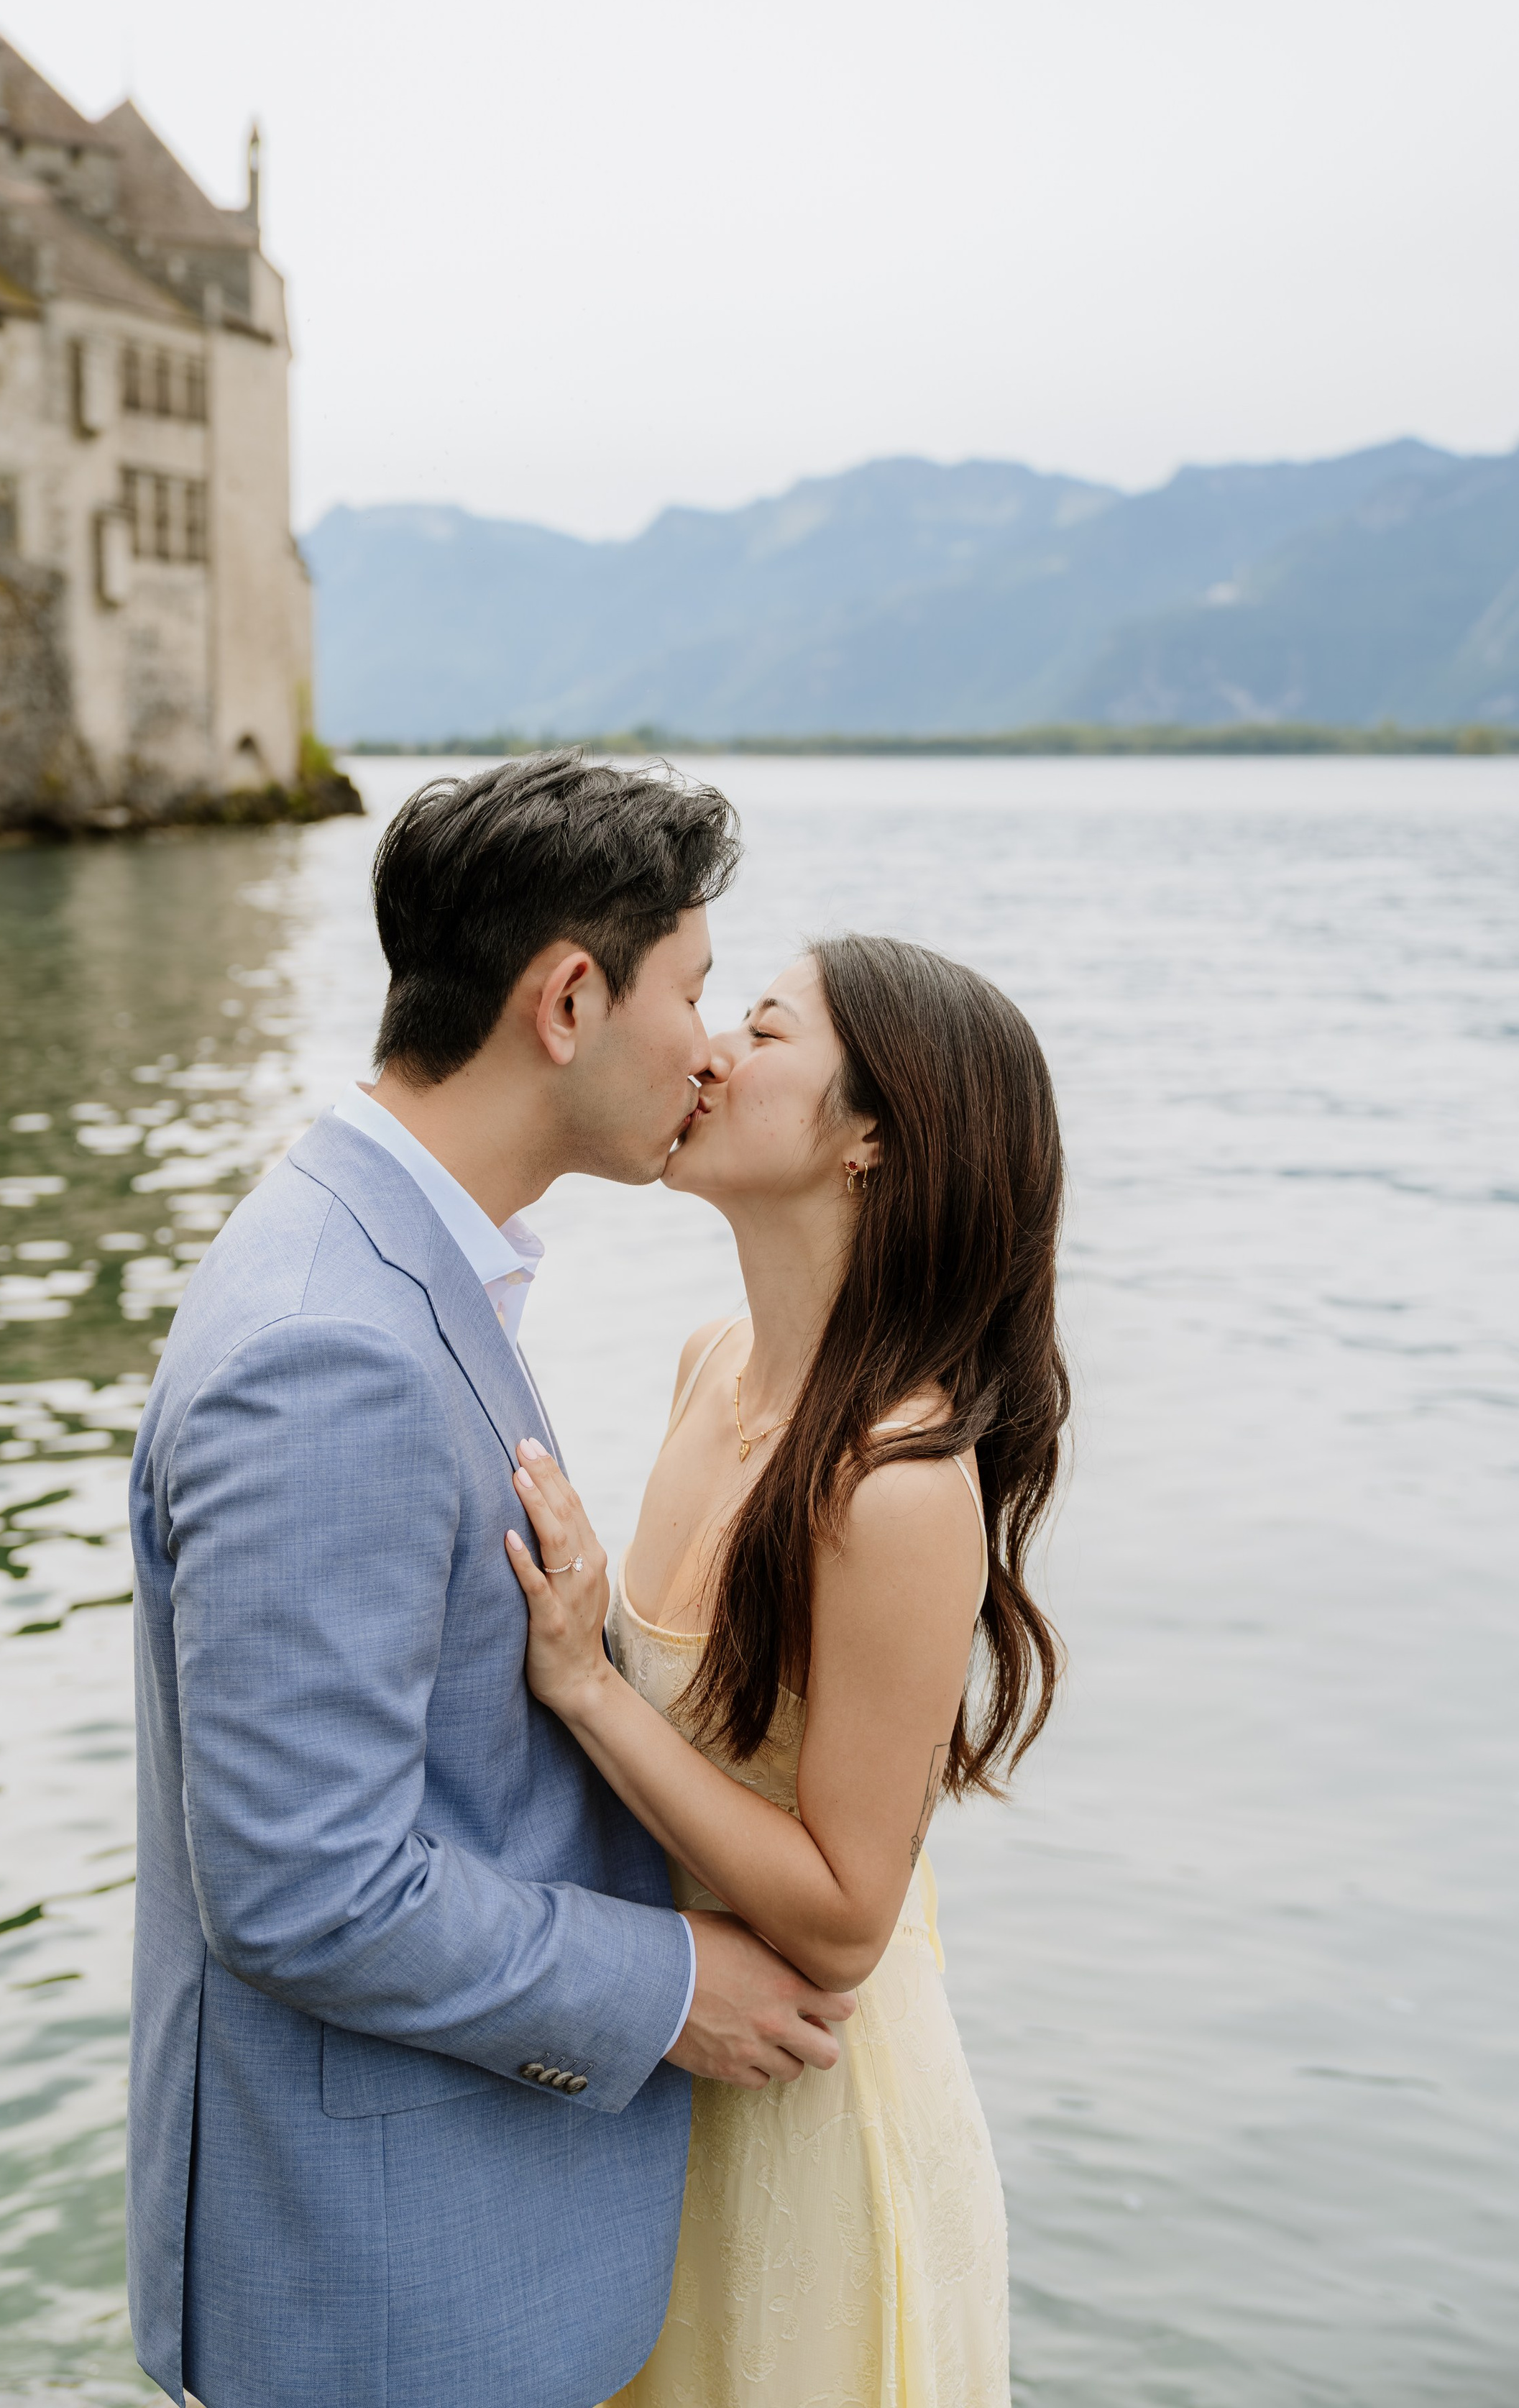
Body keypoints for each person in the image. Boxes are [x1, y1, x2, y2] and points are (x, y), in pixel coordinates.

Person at [126, 754, 856, 2408]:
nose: (709, 1043)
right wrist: (665, 1988)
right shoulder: (331, 1341)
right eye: (690, 989)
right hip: (390, 2311)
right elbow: (306, 1884)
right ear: (568, 998)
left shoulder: (393, 1257)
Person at [506, 933, 1069, 2408]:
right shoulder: (705, 1363)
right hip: (666, 2083)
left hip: (808, 2130)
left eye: (757, 1028)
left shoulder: (892, 1482)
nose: (705, 1055)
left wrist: (587, 1687)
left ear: (872, 1134)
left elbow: (841, 1918)